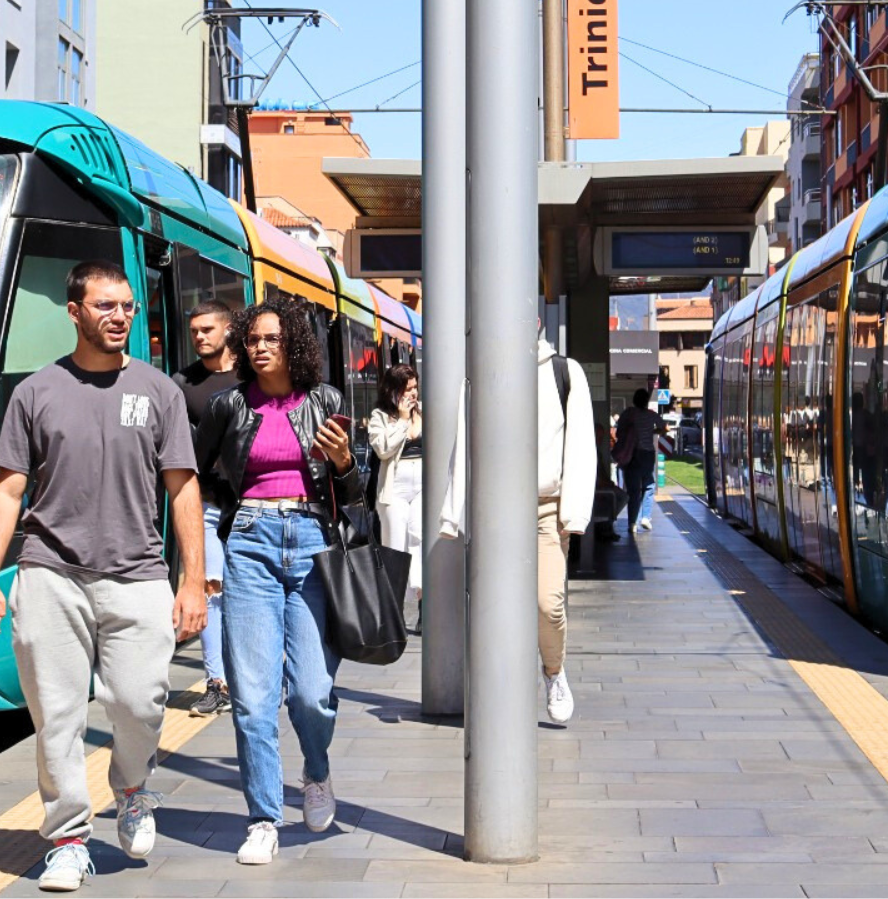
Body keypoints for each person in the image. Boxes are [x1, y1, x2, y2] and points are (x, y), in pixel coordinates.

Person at [0, 262, 208, 893]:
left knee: (138, 701)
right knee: (56, 716)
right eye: (106, 306)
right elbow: (10, 490)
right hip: (51, 572)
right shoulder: (36, 392)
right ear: (73, 312)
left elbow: (183, 488)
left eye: (128, 307)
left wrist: (193, 581)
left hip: (138, 576)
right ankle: (70, 839)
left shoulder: (159, 392)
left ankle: (131, 787)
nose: (120, 317)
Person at [194, 296, 364, 866]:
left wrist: (344, 465)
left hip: (314, 545)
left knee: (313, 692)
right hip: (250, 545)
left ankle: (316, 773)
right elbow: (195, 475)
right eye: (253, 340)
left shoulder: (326, 402)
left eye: (271, 339)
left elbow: (356, 491)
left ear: (293, 344)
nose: (260, 348)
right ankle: (263, 817)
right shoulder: (228, 406)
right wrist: (230, 519)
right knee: (254, 698)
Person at [438, 322, 597, 725]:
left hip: (545, 507)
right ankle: (502, 689)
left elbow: (581, 446)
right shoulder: (479, 370)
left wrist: (573, 513)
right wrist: (453, 514)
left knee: (548, 603)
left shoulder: (565, 371)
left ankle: (554, 672)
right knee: (494, 607)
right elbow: (464, 443)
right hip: (493, 509)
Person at [172, 299, 239, 717]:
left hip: (253, 507)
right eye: (194, 330)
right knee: (211, 593)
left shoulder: (252, 375)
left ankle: (255, 675)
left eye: (207, 329)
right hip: (208, 505)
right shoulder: (183, 382)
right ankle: (217, 683)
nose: (199, 336)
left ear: (228, 331)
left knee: (249, 595)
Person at [367, 364, 424, 630]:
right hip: (394, 490)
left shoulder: (424, 411)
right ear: (394, 390)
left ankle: (426, 607)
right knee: (395, 548)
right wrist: (402, 420)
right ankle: (394, 611)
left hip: (423, 487)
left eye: (415, 387)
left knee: (420, 540)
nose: (412, 394)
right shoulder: (381, 416)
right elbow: (383, 449)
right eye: (407, 388)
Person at [614, 389, 670, 532]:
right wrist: (653, 432)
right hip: (647, 454)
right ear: (646, 401)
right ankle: (645, 517)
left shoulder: (627, 414)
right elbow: (665, 428)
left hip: (630, 455)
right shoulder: (651, 415)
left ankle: (632, 523)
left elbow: (619, 432)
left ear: (634, 400)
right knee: (649, 485)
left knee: (633, 490)